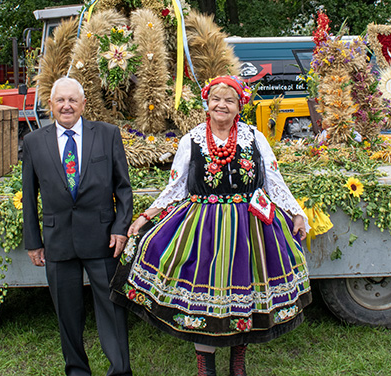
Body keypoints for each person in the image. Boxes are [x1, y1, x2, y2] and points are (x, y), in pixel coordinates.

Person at [111, 76, 312, 376]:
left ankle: (238, 361)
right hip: (203, 228)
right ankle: (205, 364)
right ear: (207, 103)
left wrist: (296, 212)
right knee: (203, 296)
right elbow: (176, 187)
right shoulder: (191, 139)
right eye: (216, 99)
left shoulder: (254, 137)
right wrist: (146, 215)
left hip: (249, 228)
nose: (222, 105)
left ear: (239, 106)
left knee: (244, 292)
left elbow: (274, 180)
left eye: (229, 100)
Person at [22, 76, 133, 376]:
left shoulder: (107, 135)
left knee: (111, 309)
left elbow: (123, 187)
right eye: (60, 100)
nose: (66, 106)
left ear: (84, 104)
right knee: (68, 316)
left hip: (102, 240)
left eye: (73, 100)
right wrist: (33, 242)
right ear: (51, 105)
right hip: (58, 242)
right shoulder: (33, 142)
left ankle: (120, 370)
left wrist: (120, 227)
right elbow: (29, 196)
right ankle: (77, 371)